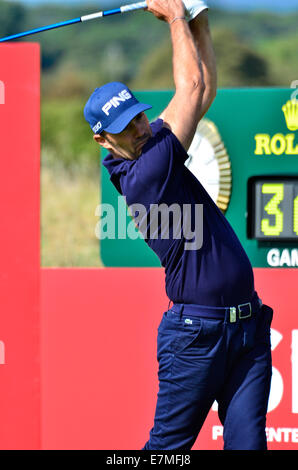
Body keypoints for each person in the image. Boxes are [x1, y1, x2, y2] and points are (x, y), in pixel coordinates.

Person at [84, 0, 273, 451]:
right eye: (124, 128)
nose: (139, 128)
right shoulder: (146, 173)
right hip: (195, 338)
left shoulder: (151, 146)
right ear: (102, 139)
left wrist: (197, 13)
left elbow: (203, 90)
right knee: (167, 451)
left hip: (246, 331)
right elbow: (189, 86)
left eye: (138, 116)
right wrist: (174, 17)